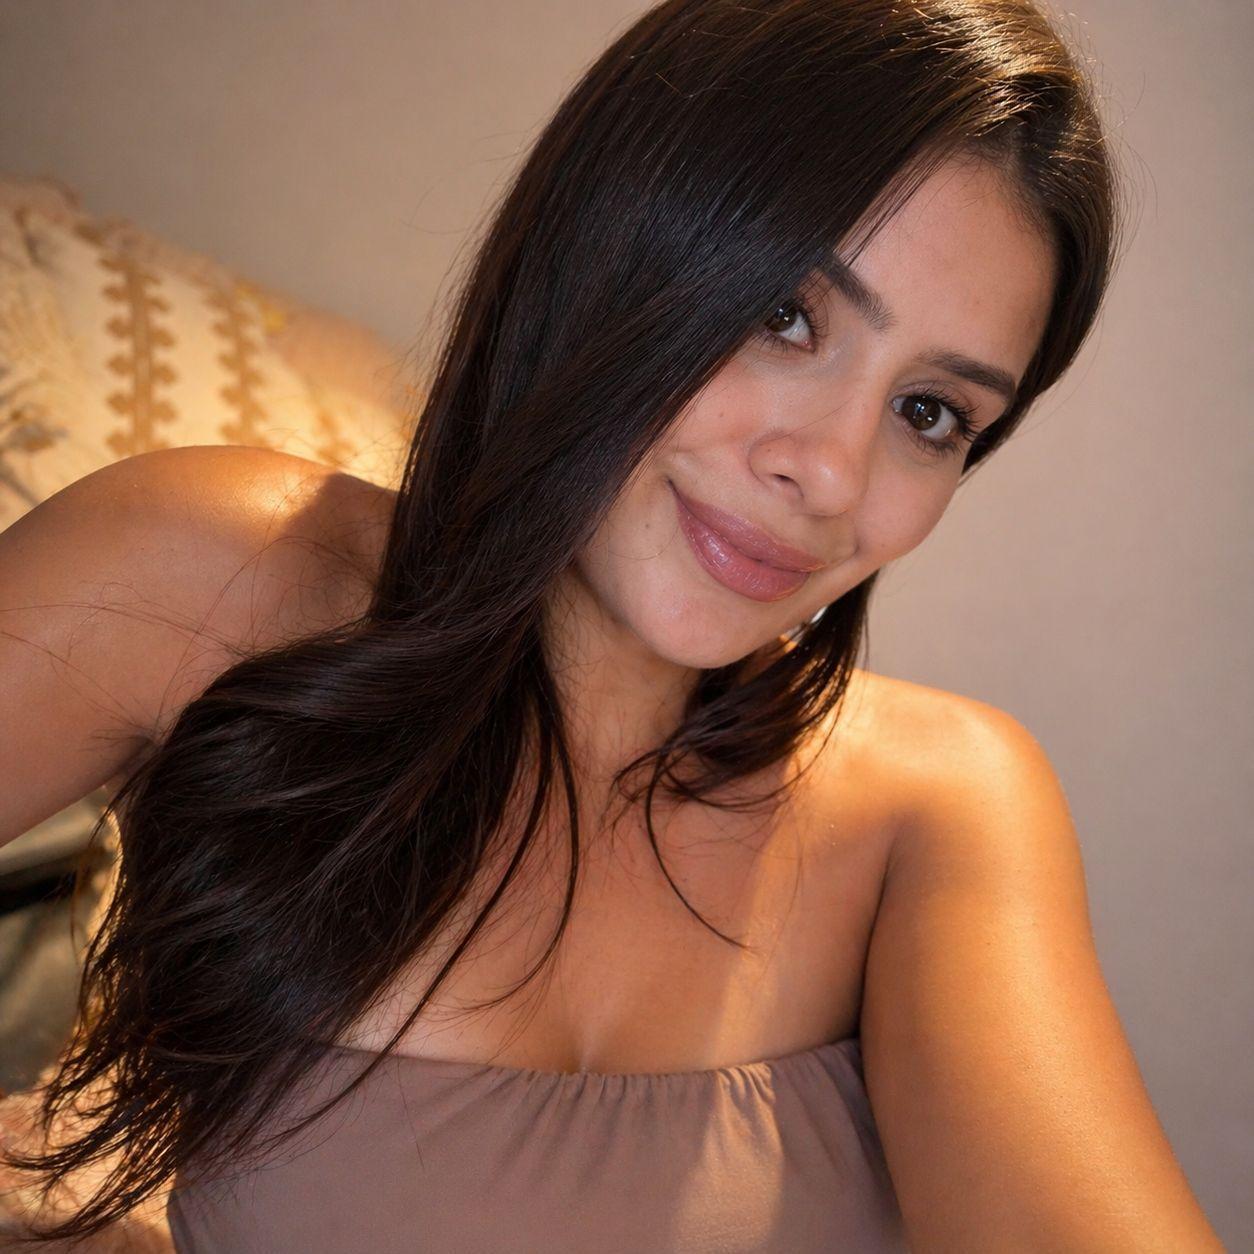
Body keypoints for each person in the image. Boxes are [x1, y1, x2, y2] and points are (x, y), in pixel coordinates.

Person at [0, 0, 1224, 1249]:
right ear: (604, 247)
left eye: (929, 413)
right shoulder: (223, 574)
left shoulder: (944, 805)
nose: (830, 474)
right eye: (785, 315)